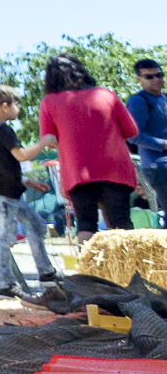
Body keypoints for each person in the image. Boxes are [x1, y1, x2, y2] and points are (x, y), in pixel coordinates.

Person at [37, 53, 141, 240]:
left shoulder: (49, 103)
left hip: (78, 172)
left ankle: (89, 268)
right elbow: (131, 131)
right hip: (114, 169)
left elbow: (50, 140)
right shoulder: (105, 94)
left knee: (86, 224)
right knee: (121, 223)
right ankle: (131, 269)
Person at [0, 82, 55, 299]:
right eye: (15, 104)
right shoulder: (2, 130)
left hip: (6, 193)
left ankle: (46, 272)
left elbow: (0, 166)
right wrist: (43, 143)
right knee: (5, 237)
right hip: (3, 196)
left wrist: (28, 182)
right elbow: (20, 155)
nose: (17, 108)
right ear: (4, 107)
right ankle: (5, 284)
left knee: (37, 225)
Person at [127, 57, 167, 214]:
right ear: (139, 79)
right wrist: (163, 144)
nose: (156, 79)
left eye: (159, 75)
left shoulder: (164, 98)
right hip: (158, 166)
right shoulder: (138, 101)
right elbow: (133, 135)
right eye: (149, 77)